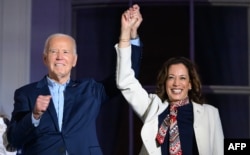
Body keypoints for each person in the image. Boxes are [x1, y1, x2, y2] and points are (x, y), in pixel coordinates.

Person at [6, 4, 143, 155]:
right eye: (53, 51)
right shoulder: (26, 93)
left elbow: (127, 76)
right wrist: (34, 115)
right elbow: (14, 140)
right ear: (45, 58)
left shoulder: (90, 90)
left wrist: (130, 35)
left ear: (74, 60)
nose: (59, 57)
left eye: (65, 52)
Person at [115, 6, 224, 155]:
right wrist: (125, 33)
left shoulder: (210, 114)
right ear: (165, 82)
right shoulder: (152, 108)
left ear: (190, 84)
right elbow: (125, 81)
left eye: (182, 78)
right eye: (171, 78)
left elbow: (220, 151)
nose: (176, 83)